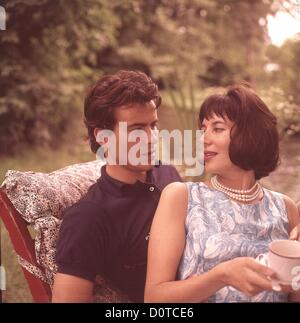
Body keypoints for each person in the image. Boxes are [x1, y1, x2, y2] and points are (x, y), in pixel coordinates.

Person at [144, 84, 300, 302]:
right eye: (203, 129)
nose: (203, 139)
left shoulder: (286, 208)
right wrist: (221, 276)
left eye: (217, 129)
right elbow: (154, 299)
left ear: (251, 135)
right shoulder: (181, 197)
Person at [52, 70, 181, 302]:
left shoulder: (167, 173)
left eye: (154, 125)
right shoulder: (89, 218)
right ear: (103, 137)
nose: (152, 138)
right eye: (137, 129)